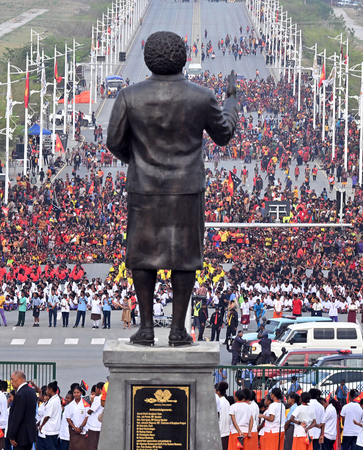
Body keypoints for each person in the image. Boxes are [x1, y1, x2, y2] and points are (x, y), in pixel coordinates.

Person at [106, 30, 239, 347]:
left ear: (149, 58)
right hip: (186, 189)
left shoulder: (129, 96)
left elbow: (114, 142)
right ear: (182, 56)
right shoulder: (201, 96)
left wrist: (139, 161)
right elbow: (224, 134)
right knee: (185, 256)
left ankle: (147, 327)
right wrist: (232, 100)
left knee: (142, 256)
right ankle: (178, 329)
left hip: (144, 189)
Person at [7, 370, 37, 450]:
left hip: (20, 436)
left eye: (12, 379)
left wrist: (12, 435)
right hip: (29, 435)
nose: (11, 382)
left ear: (19, 379)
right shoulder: (31, 391)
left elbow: (17, 417)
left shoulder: (20, 394)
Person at [38, 382, 62, 450]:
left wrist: (41, 426)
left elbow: (47, 416)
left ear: (50, 389)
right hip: (53, 429)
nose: (46, 391)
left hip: (50, 430)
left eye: (47, 389)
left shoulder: (52, 401)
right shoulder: (56, 399)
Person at [65, 385, 88, 450]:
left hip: (83, 432)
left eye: (78, 392)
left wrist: (81, 427)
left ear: (81, 393)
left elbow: (87, 417)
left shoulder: (85, 403)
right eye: (74, 393)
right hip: (74, 432)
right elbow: (68, 418)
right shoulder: (70, 405)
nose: (76, 394)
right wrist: (74, 428)